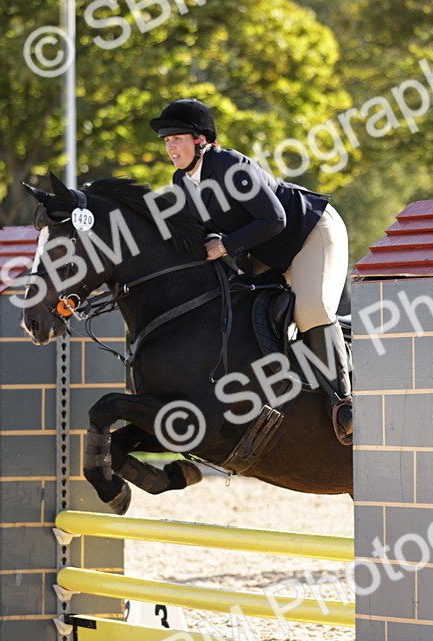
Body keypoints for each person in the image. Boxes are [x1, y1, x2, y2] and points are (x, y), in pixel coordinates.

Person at [150, 98, 353, 444]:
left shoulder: (230, 165)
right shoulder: (182, 182)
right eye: (166, 141)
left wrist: (224, 244)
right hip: (264, 251)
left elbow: (275, 219)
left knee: (311, 309)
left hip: (310, 233)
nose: (170, 147)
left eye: (177, 139)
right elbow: (203, 231)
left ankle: (344, 403)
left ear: (200, 140)